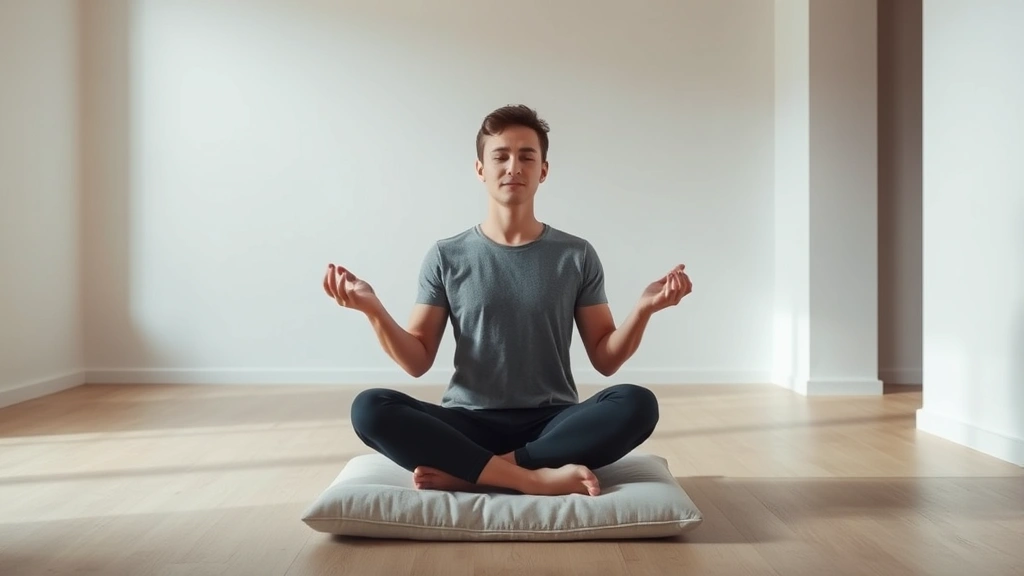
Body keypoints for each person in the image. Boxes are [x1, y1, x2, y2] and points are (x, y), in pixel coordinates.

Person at [322, 104, 692, 497]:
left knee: (637, 404)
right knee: (369, 408)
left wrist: (644, 309)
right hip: (467, 424)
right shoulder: (446, 256)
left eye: (526, 156)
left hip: (552, 424)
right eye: (500, 156)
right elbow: (417, 361)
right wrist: (372, 309)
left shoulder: (576, 255)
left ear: (543, 171)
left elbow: (606, 359)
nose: (513, 166)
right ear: (480, 169)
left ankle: (477, 474)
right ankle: (531, 478)